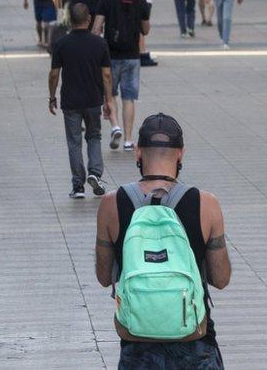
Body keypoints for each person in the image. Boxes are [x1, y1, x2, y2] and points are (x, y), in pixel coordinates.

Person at [95, 114, 231, 369]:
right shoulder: (207, 204)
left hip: (137, 344)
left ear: (138, 152)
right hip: (195, 341)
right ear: (180, 154)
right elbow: (221, 279)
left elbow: (104, 277)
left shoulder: (111, 204)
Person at [49, 3, 113, 198]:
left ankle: (78, 186)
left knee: (74, 142)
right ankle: (95, 174)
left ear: (70, 20)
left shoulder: (62, 43)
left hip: (71, 101)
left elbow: (54, 74)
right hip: (93, 99)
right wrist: (108, 100)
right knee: (94, 136)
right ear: (89, 20)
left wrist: (52, 97)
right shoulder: (99, 43)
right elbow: (107, 75)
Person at [92, 0, 151, 152]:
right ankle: (127, 140)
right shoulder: (140, 0)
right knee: (129, 98)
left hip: (110, 55)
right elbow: (146, 30)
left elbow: (96, 29)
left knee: (109, 94)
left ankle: (115, 126)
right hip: (132, 56)